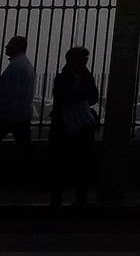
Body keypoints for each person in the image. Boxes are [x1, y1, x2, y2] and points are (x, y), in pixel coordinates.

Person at [48, 46, 99, 206]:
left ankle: (78, 195)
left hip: (75, 124)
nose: (85, 62)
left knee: (78, 163)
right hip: (67, 124)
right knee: (62, 163)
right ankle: (58, 195)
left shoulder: (83, 77)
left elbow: (93, 97)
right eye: (83, 59)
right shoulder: (66, 78)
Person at [0, 35, 35, 153]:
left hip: (9, 114)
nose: (6, 47)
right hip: (20, 114)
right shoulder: (25, 65)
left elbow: (11, 92)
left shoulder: (16, 66)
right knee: (25, 145)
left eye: (10, 44)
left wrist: (2, 109)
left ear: (17, 47)